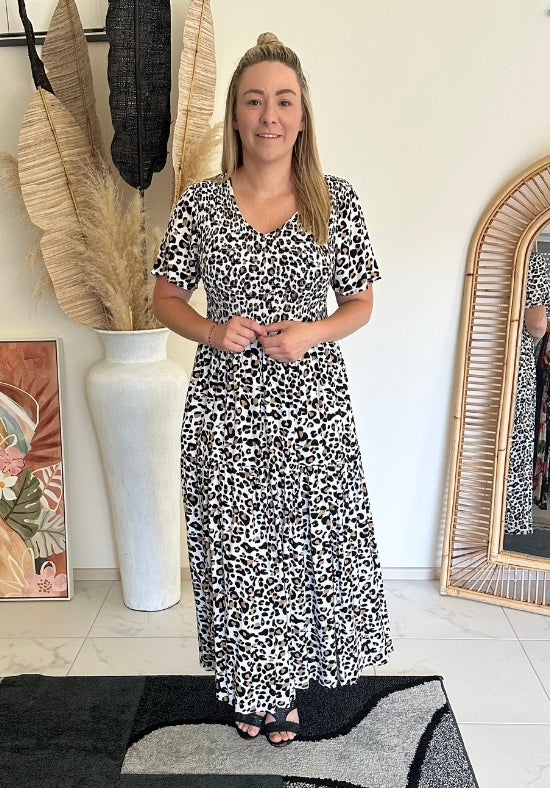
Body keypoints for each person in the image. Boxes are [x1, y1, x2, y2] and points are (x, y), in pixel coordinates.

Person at [152, 32, 392, 747]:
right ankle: (251, 686)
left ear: (303, 115)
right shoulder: (200, 205)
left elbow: (359, 302)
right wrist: (209, 329)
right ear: (235, 115)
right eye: (254, 100)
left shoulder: (332, 199)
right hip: (223, 410)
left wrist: (309, 333)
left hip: (310, 411)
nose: (269, 115)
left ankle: (284, 688)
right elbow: (165, 297)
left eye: (283, 100)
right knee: (238, 551)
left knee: (300, 548)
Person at [504, 249, 550, 534]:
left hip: (479, 347)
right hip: (512, 356)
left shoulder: (492, 251)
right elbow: (536, 322)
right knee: (514, 439)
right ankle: (506, 522)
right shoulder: (531, 258)